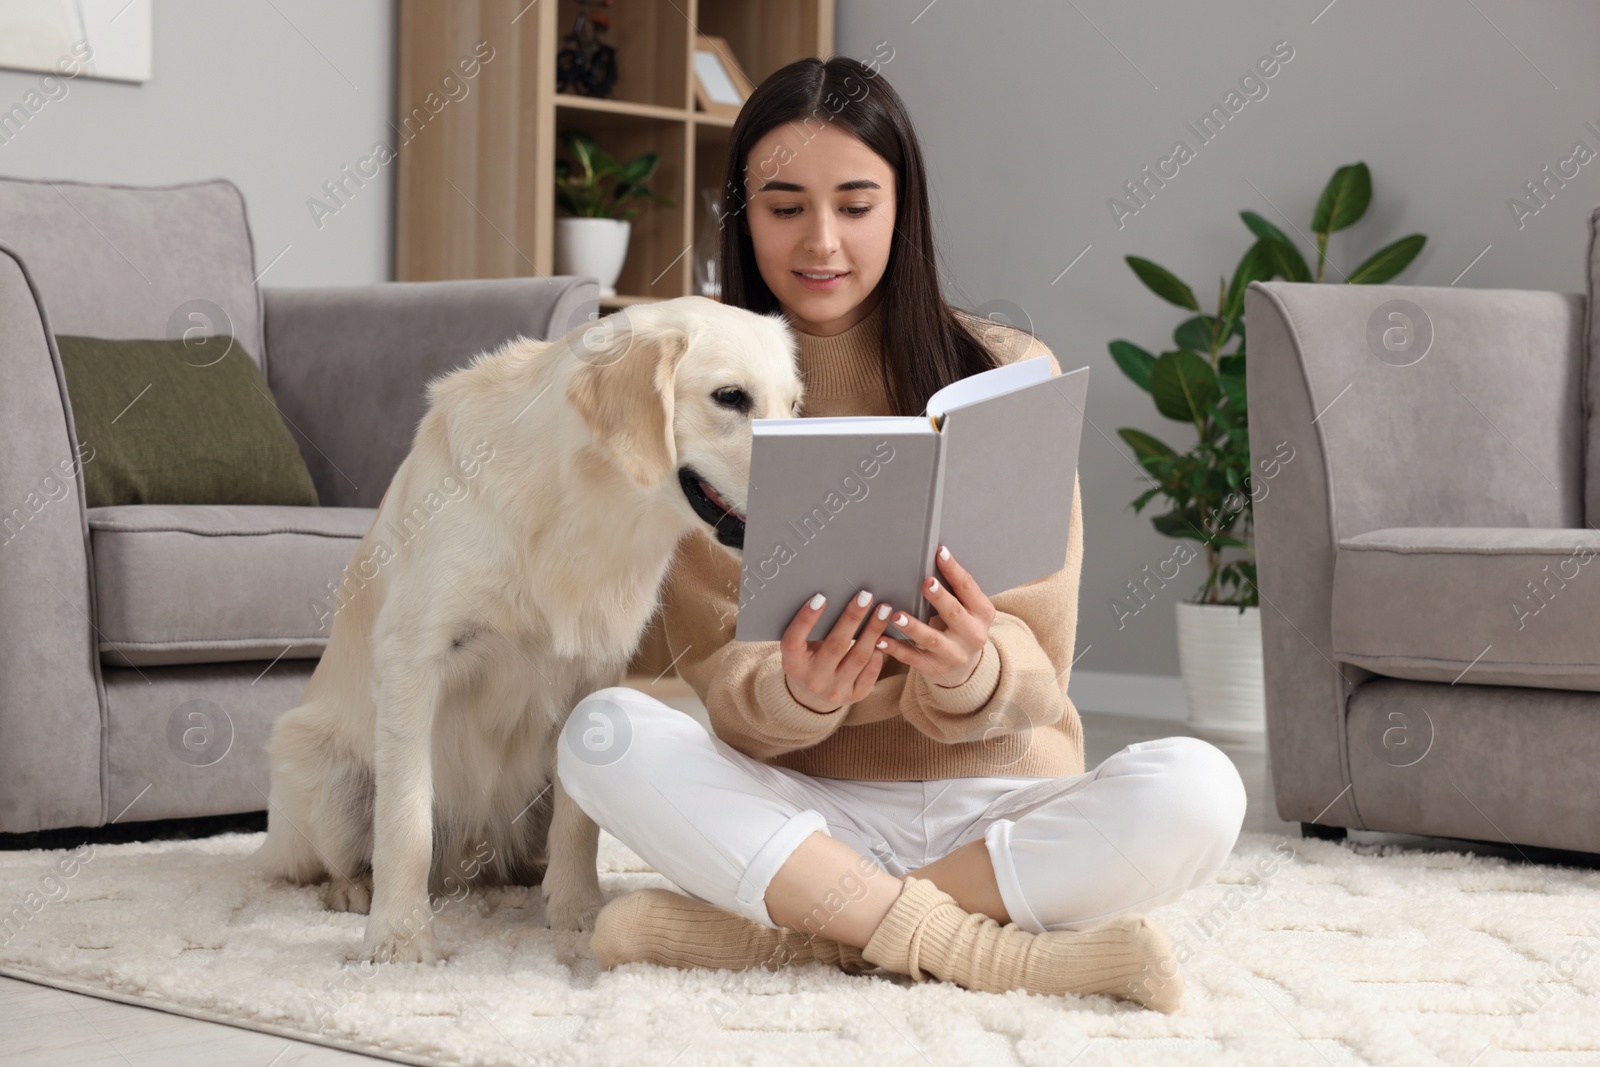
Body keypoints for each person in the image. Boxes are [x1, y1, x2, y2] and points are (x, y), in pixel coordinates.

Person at [556, 54, 1246, 1013]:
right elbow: (714, 673)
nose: (821, 241)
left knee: (1201, 791)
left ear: (901, 207)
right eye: (784, 205)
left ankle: (803, 933)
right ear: (742, 214)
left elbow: (1042, 661)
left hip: (998, 802)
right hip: (808, 807)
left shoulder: (1008, 369)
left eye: (856, 202)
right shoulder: (699, 402)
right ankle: (977, 948)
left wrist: (973, 669)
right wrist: (796, 693)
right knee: (603, 733)